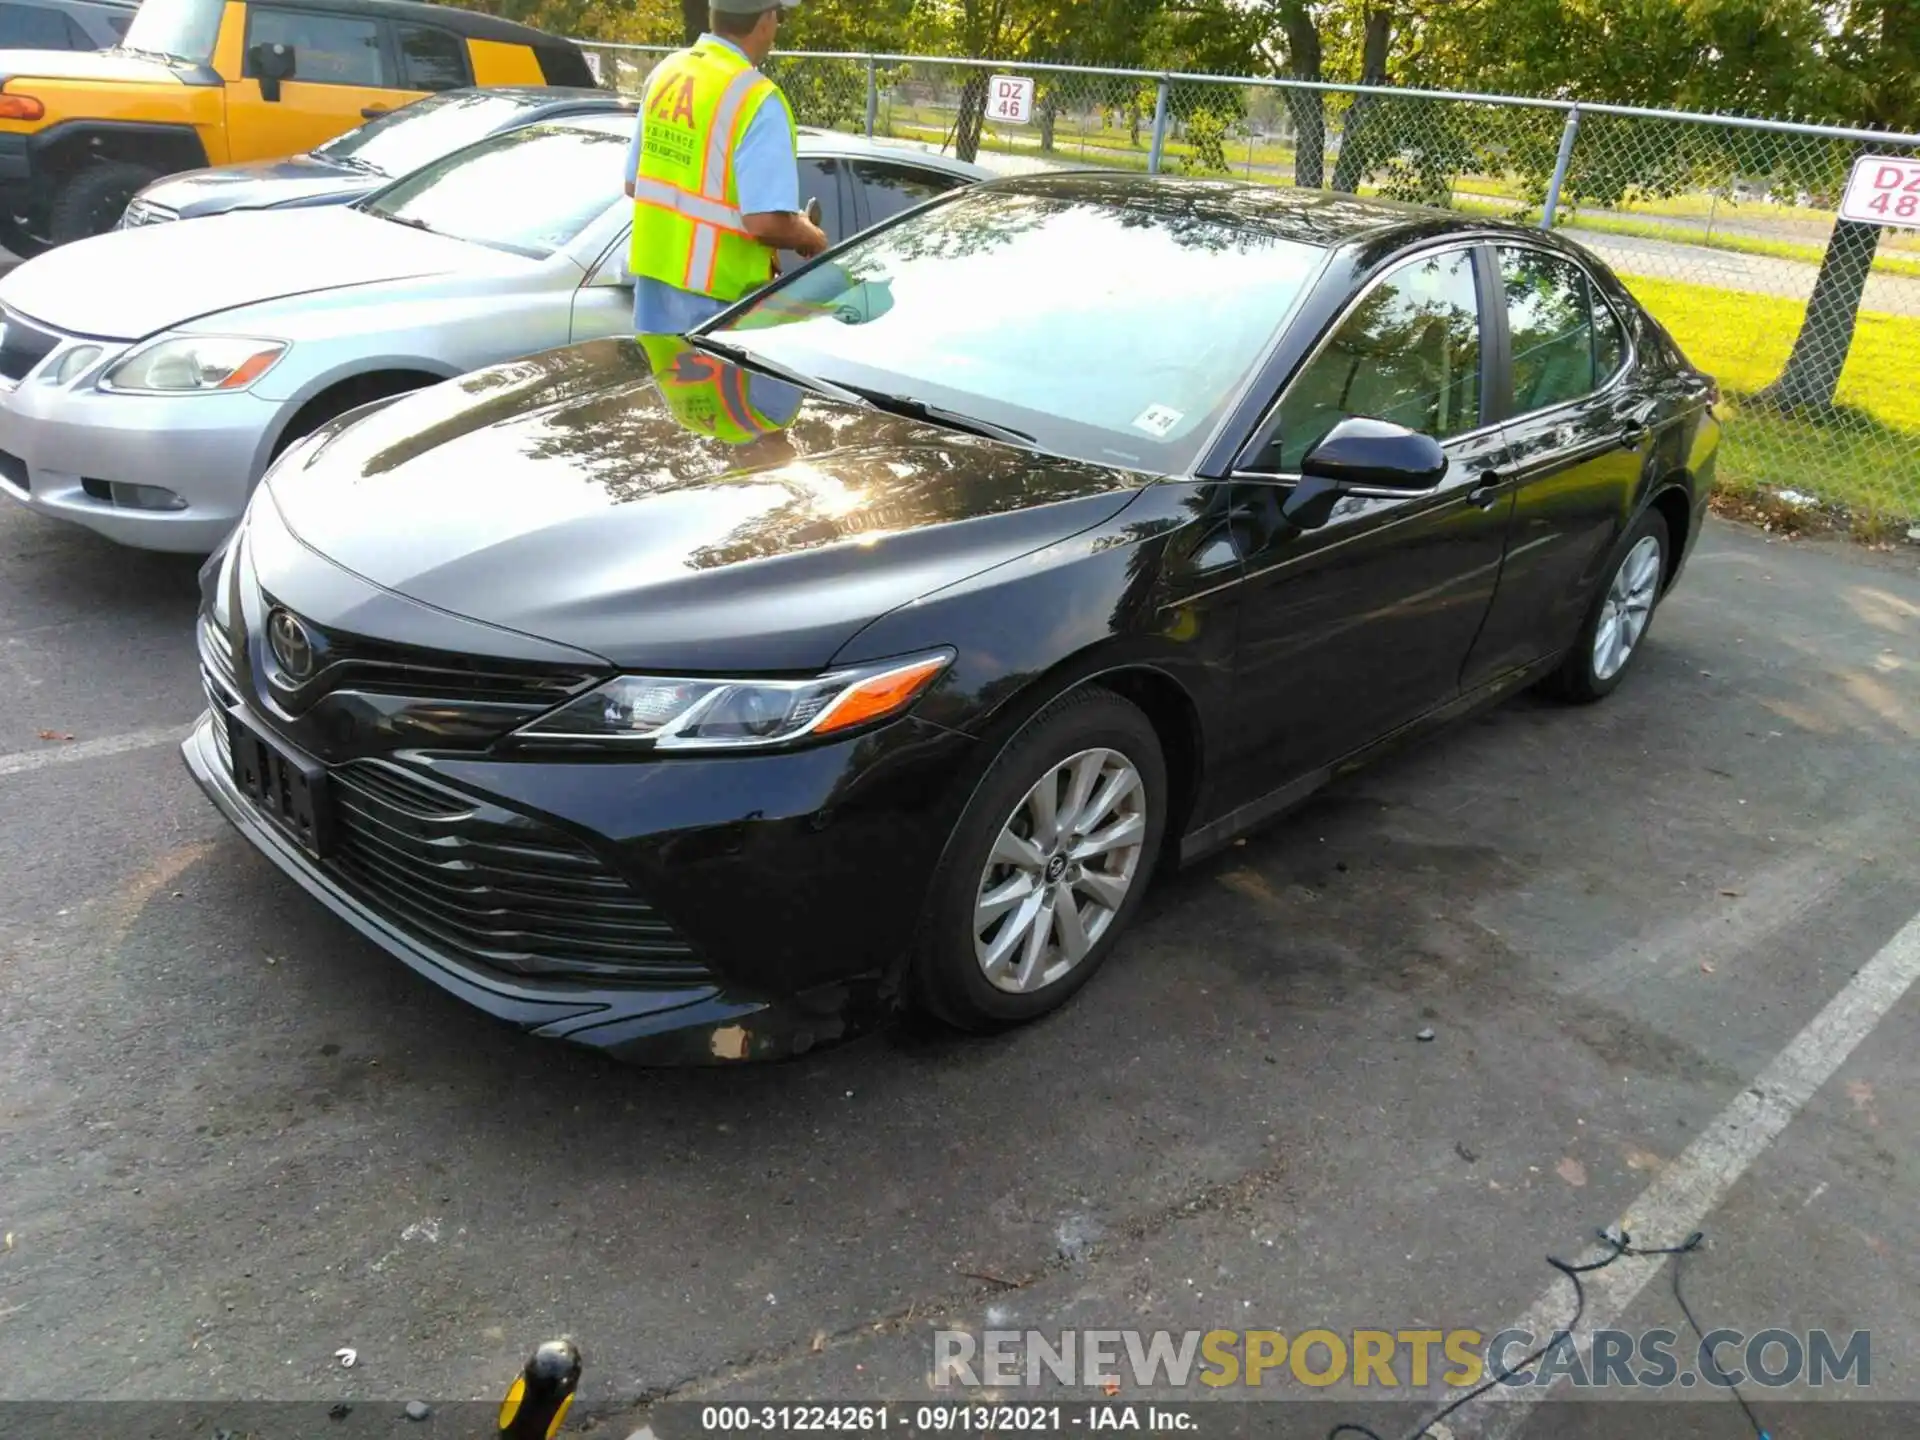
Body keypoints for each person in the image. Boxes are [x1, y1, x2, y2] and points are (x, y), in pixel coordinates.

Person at [623, 0, 830, 336]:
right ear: (765, 20)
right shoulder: (758, 99)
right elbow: (764, 222)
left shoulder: (668, 72)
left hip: (653, 295)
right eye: (779, 15)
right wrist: (810, 235)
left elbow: (635, 184)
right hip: (719, 308)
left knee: (659, 388)